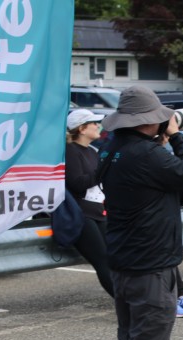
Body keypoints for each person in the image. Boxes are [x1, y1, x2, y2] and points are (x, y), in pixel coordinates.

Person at [97, 86, 183, 340]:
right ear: (148, 120)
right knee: (148, 338)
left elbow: (171, 184)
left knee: (130, 336)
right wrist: (179, 137)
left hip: (125, 257)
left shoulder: (113, 148)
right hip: (150, 261)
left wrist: (161, 139)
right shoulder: (146, 154)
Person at [64, 108, 114, 297]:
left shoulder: (92, 152)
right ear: (81, 128)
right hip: (81, 214)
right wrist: (102, 171)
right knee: (102, 260)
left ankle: (130, 301)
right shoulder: (71, 151)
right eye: (94, 123)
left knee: (114, 257)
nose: (98, 126)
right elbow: (77, 183)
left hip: (98, 211)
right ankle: (126, 304)